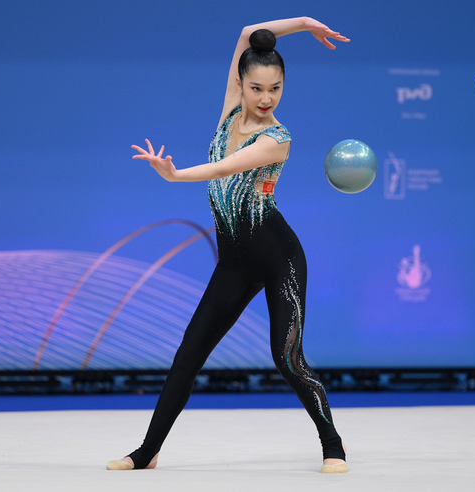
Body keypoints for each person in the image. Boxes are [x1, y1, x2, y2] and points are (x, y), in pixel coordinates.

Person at [108, 17, 350, 473]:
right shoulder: (229, 113)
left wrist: (176, 175)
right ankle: (147, 451)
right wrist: (301, 24)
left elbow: (227, 168)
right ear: (240, 84)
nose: (265, 98)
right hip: (235, 264)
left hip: (280, 259)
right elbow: (246, 33)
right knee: (188, 353)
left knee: (287, 357)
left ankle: (332, 444)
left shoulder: (278, 138)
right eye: (256, 87)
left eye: (275, 88)